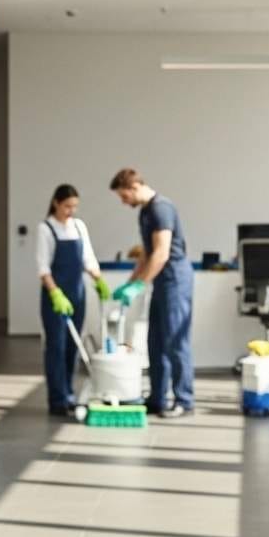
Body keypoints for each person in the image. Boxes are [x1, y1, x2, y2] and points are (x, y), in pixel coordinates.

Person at [110, 168, 194, 418]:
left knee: (176, 341)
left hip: (175, 280)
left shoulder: (161, 208)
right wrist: (130, 281)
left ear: (133, 187)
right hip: (161, 281)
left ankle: (184, 400)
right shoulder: (145, 212)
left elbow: (161, 253)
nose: (124, 203)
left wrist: (140, 285)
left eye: (124, 197)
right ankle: (157, 398)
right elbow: (146, 253)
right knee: (155, 340)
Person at [39, 184, 110, 416]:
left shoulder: (79, 227)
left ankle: (69, 394)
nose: (71, 210)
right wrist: (55, 293)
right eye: (67, 206)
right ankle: (57, 400)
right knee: (56, 347)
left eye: (75, 206)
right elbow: (43, 268)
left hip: (77, 294)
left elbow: (88, 258)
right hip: (55, 297)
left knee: (73, 347)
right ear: (56, 203)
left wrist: (98, 280)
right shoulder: (46, 228)